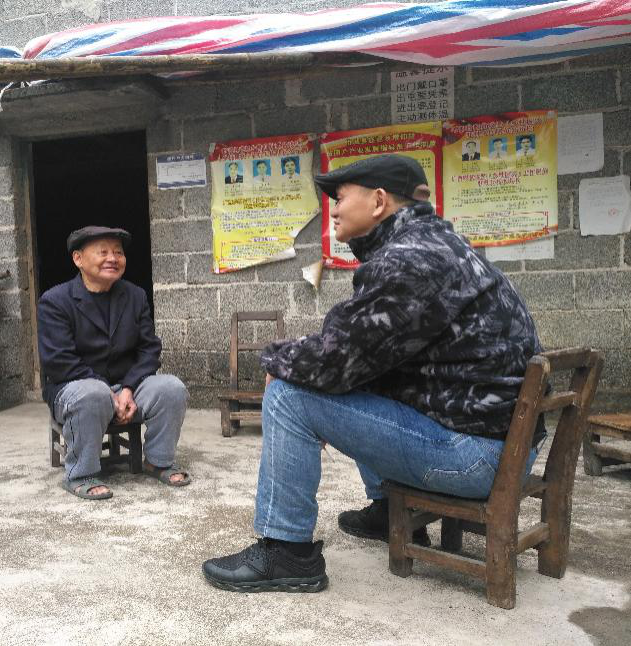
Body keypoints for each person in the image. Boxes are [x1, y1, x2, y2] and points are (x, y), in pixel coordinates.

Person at [201, 155, 542, 593]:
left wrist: (276, 363)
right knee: (361, 376)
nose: (334, 210)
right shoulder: (437, 245)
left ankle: (287, 552)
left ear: (379, 202)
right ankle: (387, 512)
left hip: (475, 459)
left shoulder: (410, 259)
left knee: (288, 394)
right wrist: (304, 362)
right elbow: (359, 349)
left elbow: (336, 357)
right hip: (498, 446)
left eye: (341, 198)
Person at [37, 226, 190, 500]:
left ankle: (158, 460)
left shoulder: (135, 296)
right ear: (78, 259)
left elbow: (149, 349)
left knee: (171, 388)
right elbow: (59, 361)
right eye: (103, 252)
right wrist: (107, 391)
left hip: (126, 385)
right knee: (93, 394)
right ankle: (80, 474)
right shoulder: (55, 301)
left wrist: (128, 388)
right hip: (75, 389)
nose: (113, 258)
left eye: (118, 253)